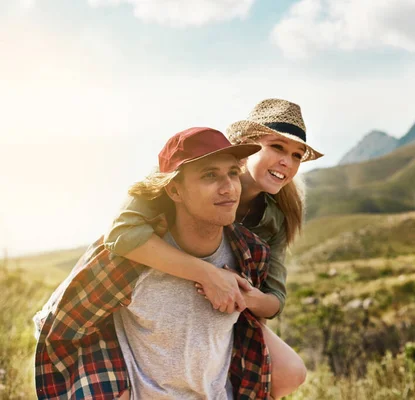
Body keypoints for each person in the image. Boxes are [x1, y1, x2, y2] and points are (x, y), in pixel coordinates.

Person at [104, 98, 324, 398]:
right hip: (162, 279)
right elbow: (120, 233)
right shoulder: (186, 169)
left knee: (290, 373)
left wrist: (242, 295)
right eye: (277, 147)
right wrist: (209, 274)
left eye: (296, 155)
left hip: (227, 306)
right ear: (247, 145)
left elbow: (275, 300)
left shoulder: (275, 217)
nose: (287, 161)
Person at [34, 127, 273, 399]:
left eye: (233, 173)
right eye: (209, 175)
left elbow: (252, 333)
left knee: (292, 373)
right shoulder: (130, 259)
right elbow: (61, 325)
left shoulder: (251, 254)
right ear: (174, 191)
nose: (229, 188)